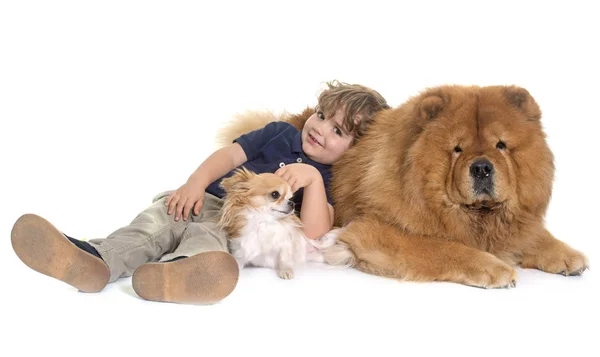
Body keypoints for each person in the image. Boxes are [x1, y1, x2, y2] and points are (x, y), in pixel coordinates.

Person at [10, 80, 390, 305]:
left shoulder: (326, 177)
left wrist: (309, 179)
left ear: (356, 149)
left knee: (207, 236)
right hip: (205, 197)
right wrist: (193, 182)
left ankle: (180, 272)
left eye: (338, 131)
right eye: (322, 115)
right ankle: (98, 260)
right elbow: (230, 155)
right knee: (157, 220)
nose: (321, 129)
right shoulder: (280, 133)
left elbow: (313, 232)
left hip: (237, 224)